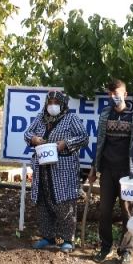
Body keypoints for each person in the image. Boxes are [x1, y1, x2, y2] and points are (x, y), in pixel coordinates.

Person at [88, 78, 133, 264]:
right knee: (104, 211)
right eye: (111, 93)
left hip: (128, 174)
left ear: (125, 94)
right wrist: (94, 168)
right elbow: (99, 143)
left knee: (127, 213)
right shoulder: (105, 115)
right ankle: (105, 247)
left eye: (117, 93)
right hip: (107, 170)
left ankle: (126, 250)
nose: (114, 96)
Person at [24, 90, 90, 253]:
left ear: (62, 104)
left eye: (56, 102)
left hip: (63, 168)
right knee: (43, 201)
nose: (52, 105)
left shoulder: (70, 118)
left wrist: (65, 143)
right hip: (42, 167)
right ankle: (48, 237)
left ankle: (68, 239)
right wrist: (34, 139)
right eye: (50, 102)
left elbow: (84, 137)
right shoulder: (41, 118)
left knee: (64, 202)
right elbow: (27, 133)